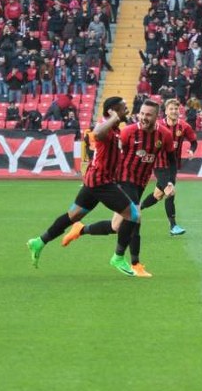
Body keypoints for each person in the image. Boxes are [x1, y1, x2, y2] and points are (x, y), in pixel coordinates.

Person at [26, 97, 139, 276]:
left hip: (94, 181)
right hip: (101, 182)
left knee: (74, 215)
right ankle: (118, 257)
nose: (127, 110)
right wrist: (113, 117)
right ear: (114, 110)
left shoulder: (115, 130)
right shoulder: (105, 127)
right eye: (124, 108)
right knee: (133, 215)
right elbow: (97, 133)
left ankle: (39, 241)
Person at [63, 100, 175, 278]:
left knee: (117, 226)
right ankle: (135, 264)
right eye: (142, 113)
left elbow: (169, 161)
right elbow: (106, 146)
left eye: (149, 114)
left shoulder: (164, 135)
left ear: (157, 116)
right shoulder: (128, 132)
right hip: (122, 180)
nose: (144, 117)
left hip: (140, 183)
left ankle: (80, 230)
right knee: (136, 217)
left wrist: (169, 183)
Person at [139, 98, 198, 235]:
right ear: (165, 111)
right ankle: (173, 226)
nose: (174, 111)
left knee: (158, 195)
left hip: (173, 165)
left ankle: (134, 209)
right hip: (159, 164)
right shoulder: (158, 125)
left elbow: (194, 141)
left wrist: (191, 150)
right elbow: (144, 136)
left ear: (179, 111)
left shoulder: (184, 127)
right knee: (170, 191)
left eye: (176, 109)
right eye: (171, 109)